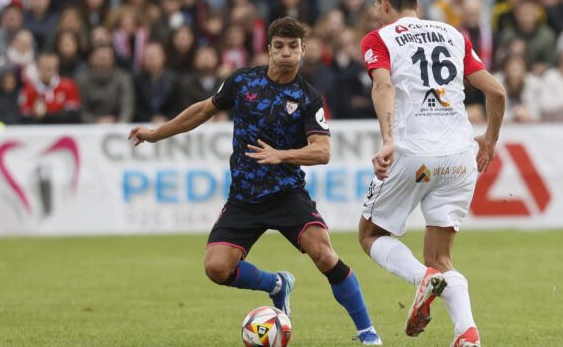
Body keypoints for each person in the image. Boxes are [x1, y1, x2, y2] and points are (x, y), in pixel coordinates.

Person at [127, 17, 383, 345]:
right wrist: (155, 133)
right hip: (244, 196)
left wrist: (282, 155)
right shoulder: (243, 81)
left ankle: (368, 333)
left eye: (293, 47)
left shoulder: (308, 97)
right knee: (216, 268)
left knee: (324, 254)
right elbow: (203, 111)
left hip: (286, 194)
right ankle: (276, 284)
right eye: (279, 46)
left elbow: (322, 152)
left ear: (303, 50)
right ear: (269, 49)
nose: (286, 53)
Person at [358, 0, 506, 347]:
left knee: (371, 234)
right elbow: (497, 91)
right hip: (460, 156)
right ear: (418, 5)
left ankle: (421, 279)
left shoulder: (379, 38)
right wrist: (489, 139)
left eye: (378, 5)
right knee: (441, 257)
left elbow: (383, 84)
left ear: (384, 4)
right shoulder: (454, 34)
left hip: (414, 152)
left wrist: (388, 139)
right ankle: (467, 334)